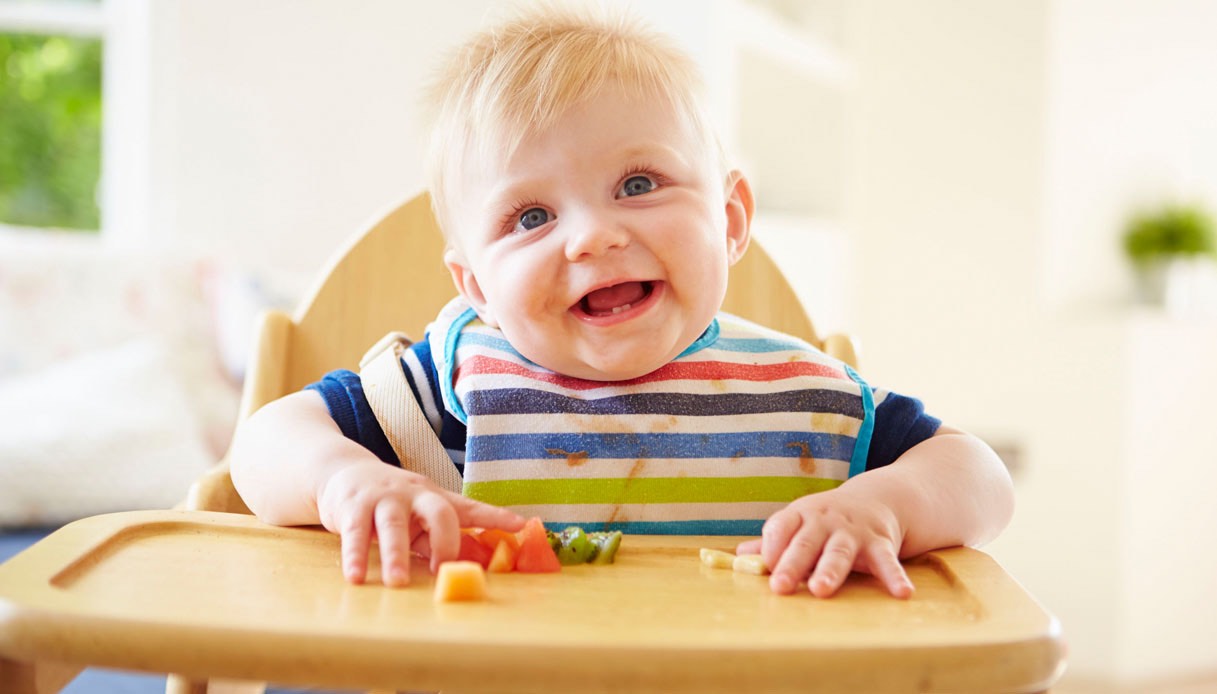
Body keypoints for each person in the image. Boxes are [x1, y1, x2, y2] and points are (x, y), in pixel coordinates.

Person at [229, 4, 1014, 599]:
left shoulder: (798, 400)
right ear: (476, 289)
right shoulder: (450, 389)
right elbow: (265, 442)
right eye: (531, 217)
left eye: (638, 184)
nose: (592, 237)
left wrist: (885, 503)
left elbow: (977, 477)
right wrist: (344, 479)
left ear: (730, 219)